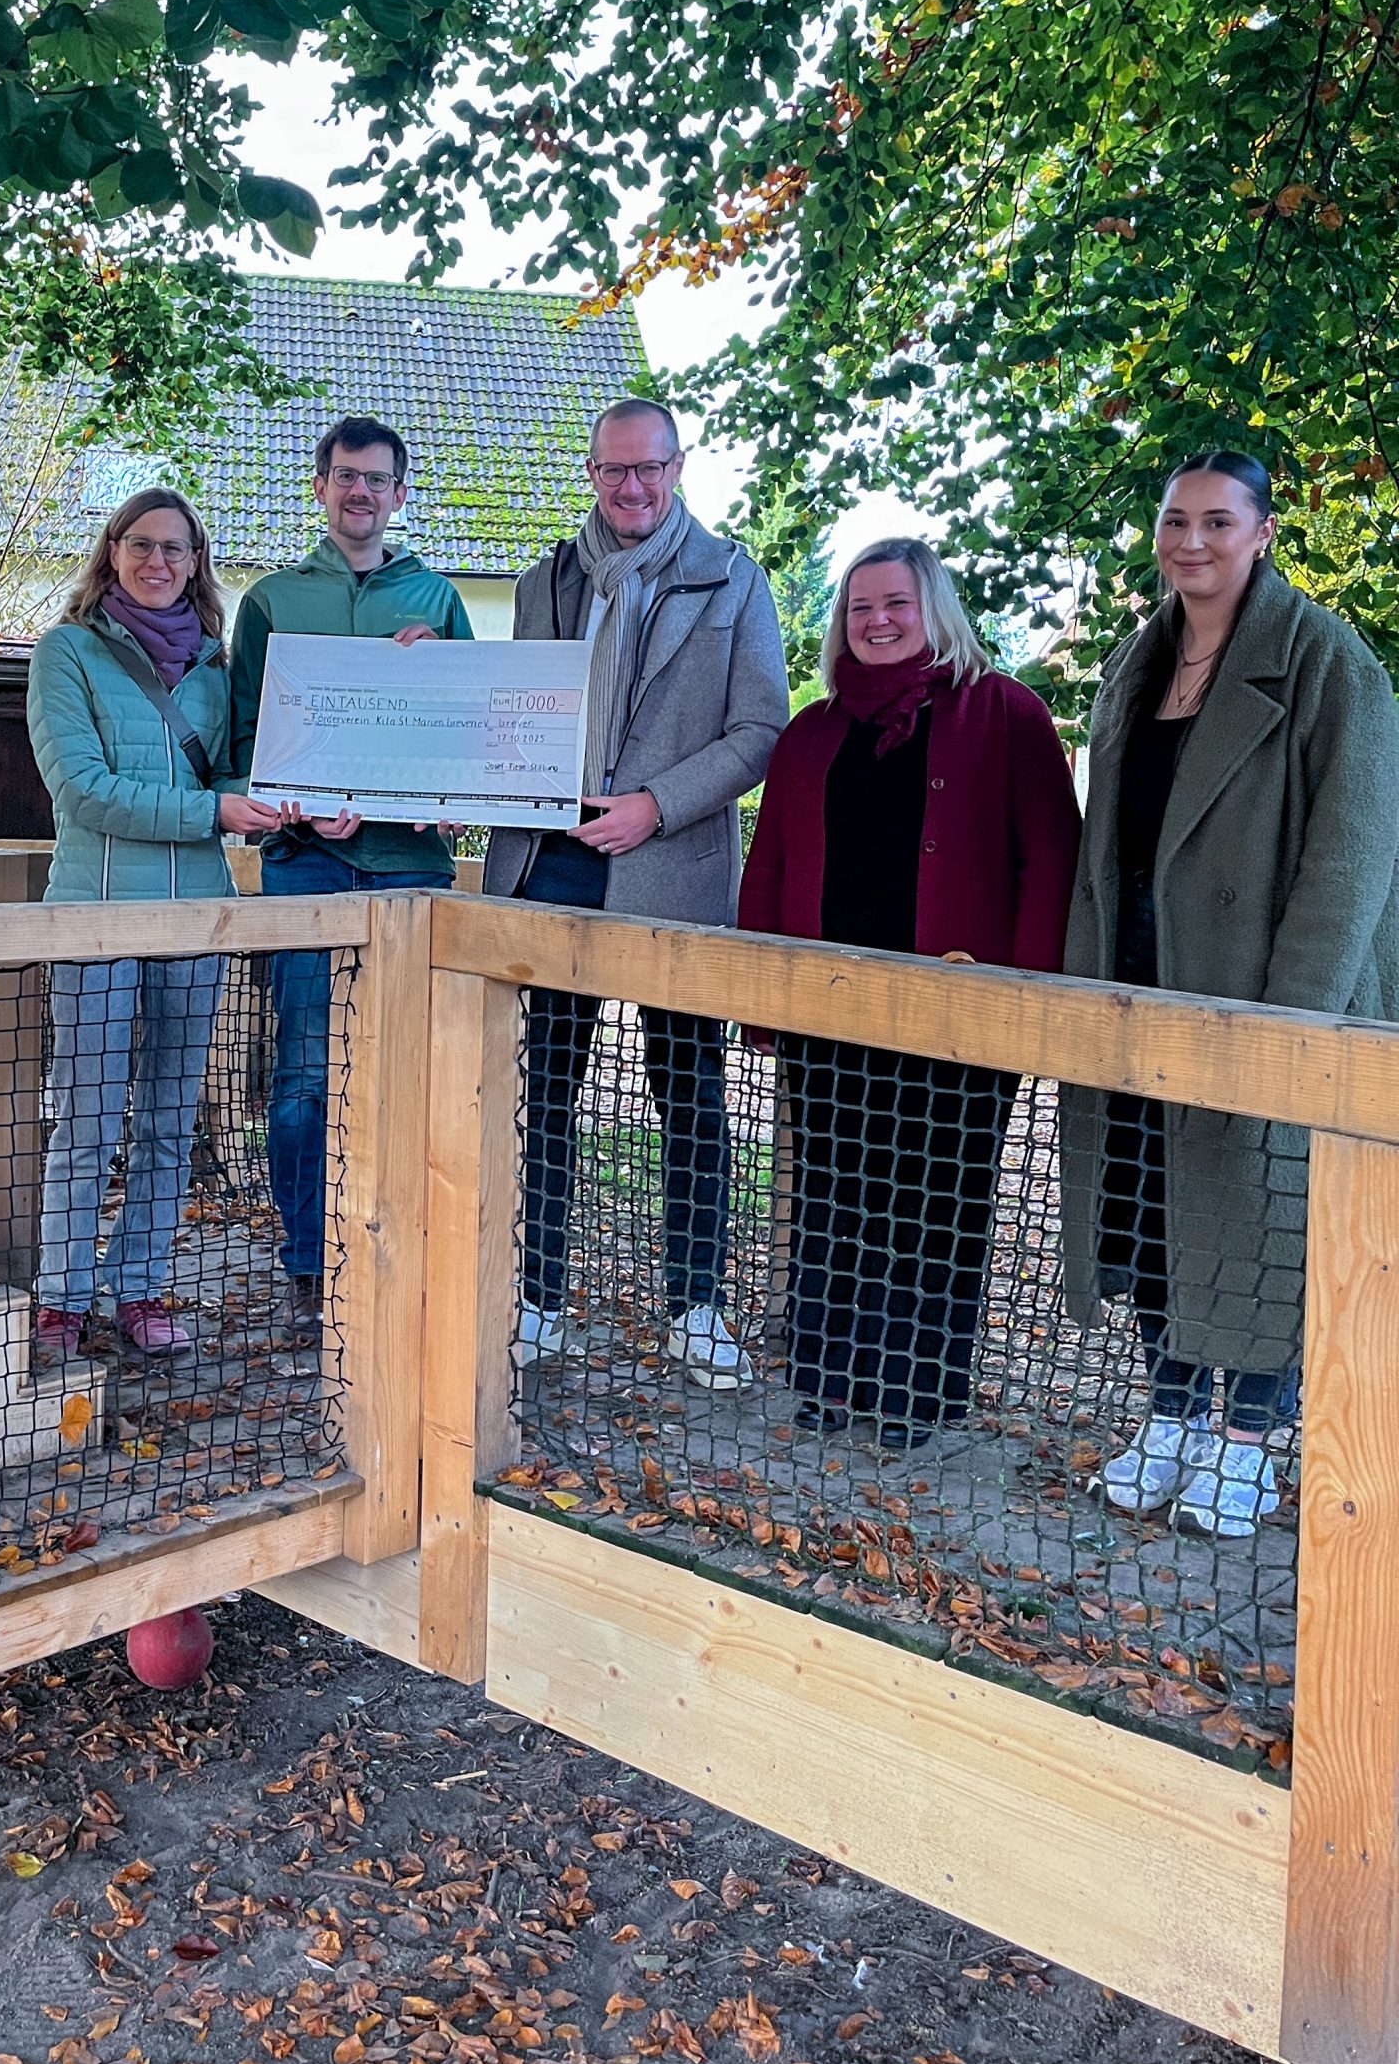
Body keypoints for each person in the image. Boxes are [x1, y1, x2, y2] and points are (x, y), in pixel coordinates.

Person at [1066, 452, 1399, 1536]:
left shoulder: (1329, 664)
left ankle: (1248, 1443)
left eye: (1217, 521)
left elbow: (1350, 862)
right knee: (1152, 1207)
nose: (1191, 541)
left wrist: (1287, 1021)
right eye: (1175, 521)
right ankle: (1171, 1418)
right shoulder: (1137, 660)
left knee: (1258, 1216)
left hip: (1262, 996)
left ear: (1262, 533)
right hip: (1140, 983)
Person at [740, 539, 1081, 1447]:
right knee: (833, 1192)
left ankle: (916, 1392)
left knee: (935, 1202)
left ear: (934, 610)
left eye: (896, 603)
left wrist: (1025, 1001)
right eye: (860, 607)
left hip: (958, 1018)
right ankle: (827, 1376)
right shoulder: (811, 731)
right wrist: (761, 996)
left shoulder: (1006, 714)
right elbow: (770, 861)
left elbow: (1051, 860)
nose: (877, 621)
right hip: (826, 1009)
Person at [485, 398, 788, 1387]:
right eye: (613, 469)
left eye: (648, 468)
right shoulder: (542, 583)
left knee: (689, 1095)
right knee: (542, 1093)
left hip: (673, 872)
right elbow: (509, 715)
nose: (631, 487)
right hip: (551, 866)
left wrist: (653, 807)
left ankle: (695, 1307)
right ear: (590, 472)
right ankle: (535, 1297)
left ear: (676, 467)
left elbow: (760, 731)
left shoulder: (734, 580)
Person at [228, 417, 472, 1347]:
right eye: (344, 476)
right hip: (306, 868)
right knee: (301, 1074)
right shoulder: (272, 601)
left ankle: (403, 1254)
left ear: (400, 493)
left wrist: (449, 789)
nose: (359, 491)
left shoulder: (437, 599)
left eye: (376, 478)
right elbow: (247, 741)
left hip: (409, 870)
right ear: (320, 486)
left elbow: (468, 734)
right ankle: (308, 1261)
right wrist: (290, 806)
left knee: (411, 1068)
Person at [28, 488, 280, 1358]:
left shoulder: (216, 664)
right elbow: (84, 791)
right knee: (88, 1121)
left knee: (171, 1119)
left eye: (176, 548)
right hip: (95, 915)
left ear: (196, 561)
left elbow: (245, 769)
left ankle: (138, 1288)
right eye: (141, 544)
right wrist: (214, 812)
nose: (158, 562)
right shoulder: (65, 652)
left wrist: (288, 795)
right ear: (112, 551)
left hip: (196, 920)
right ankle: (62, 1298)